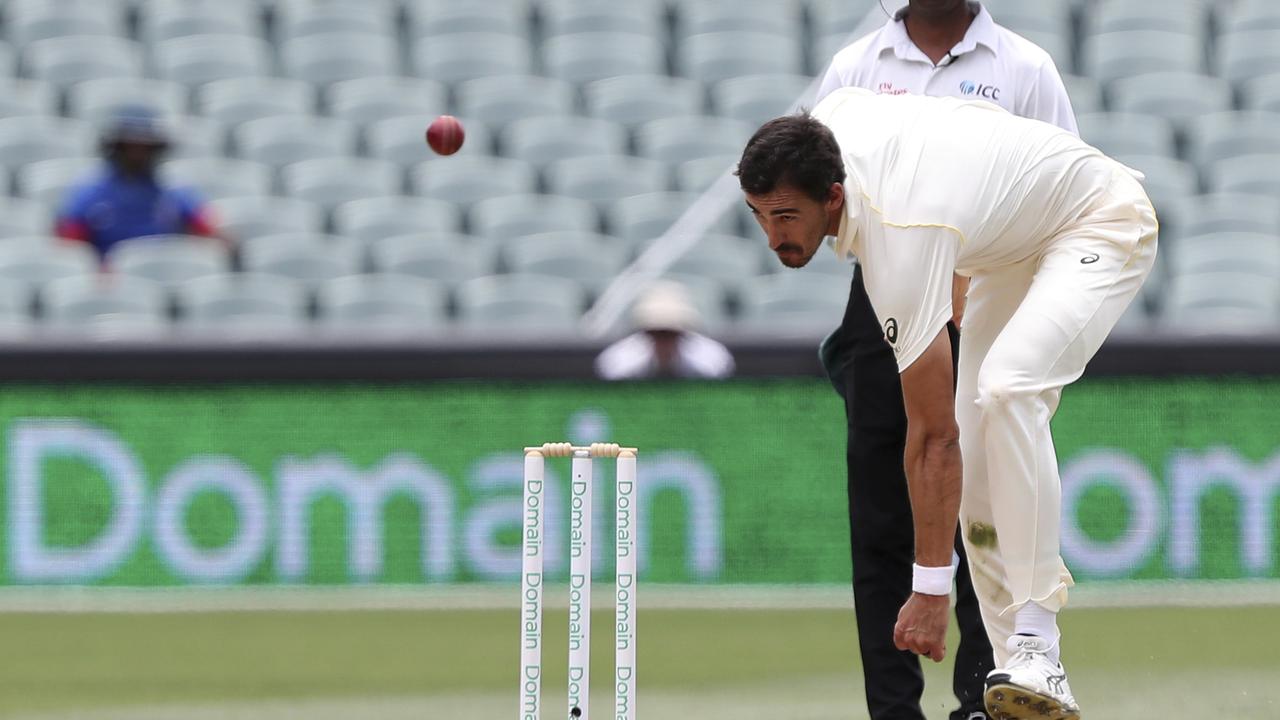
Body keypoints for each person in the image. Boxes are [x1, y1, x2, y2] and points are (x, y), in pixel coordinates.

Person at [736, 89, 1157, 720]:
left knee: (1008, 390)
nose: (772, 236)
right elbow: (955, 123)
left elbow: (931, 439)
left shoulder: (899, 237)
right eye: (758, 214)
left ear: (833, 197)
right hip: (1008, 249)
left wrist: (930, 586)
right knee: (978, 425)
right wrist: (961, 258)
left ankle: (1040, 642)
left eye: (786, 216)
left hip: (1099, 218)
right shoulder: (831, 118)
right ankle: (1018, 672)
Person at [813, 3, 1078, 719]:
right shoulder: (857, 67)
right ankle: (893, 711)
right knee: (882, 517)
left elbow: (1061, 185)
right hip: (888, 295)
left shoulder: (1023, 68)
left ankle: (983, 699)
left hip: (990, 299)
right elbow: (823, 193)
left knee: (987, 507)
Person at [56, 106, 217, 257]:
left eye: (145, 148)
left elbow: (211, 238)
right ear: (116, 147)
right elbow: (71, 249)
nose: (138, 155)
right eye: (130, 147)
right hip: (110, 281)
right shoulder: (90, 195)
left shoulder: (173, 193)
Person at [594, 280, 734, 380]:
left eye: (670, 333)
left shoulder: (708, 360)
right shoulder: (623, 361)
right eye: (657, 333)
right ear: (647, 333)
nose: (664, 341)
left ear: (682, 333)